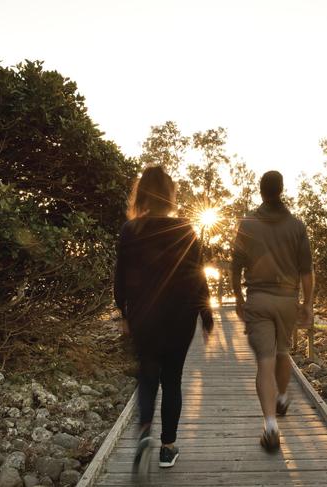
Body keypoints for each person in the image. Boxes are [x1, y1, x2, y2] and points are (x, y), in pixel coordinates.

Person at [114, 166, 214, 475]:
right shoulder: (185, 229)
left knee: (147, 375)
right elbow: (198, 276)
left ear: (141, 193)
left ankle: (144, 431)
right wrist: (206, 314)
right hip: (178, 317)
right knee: (172, 380)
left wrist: (125, 313)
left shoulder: (131, 230)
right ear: (169, 195)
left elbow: (120, 278)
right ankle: (167, 448)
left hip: (145, 316)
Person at [231, 170, 314, 452]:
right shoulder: (297, 226)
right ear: (281, 190)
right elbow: (306, 271)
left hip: (258, 299)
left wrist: (237, 298)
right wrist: (308, 304)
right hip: (287, 300)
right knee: (283, 352)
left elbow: (236, 265)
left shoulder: (247, 224)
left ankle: (270, 425)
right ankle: (282, 396)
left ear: (261, 191)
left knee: (264, 363)